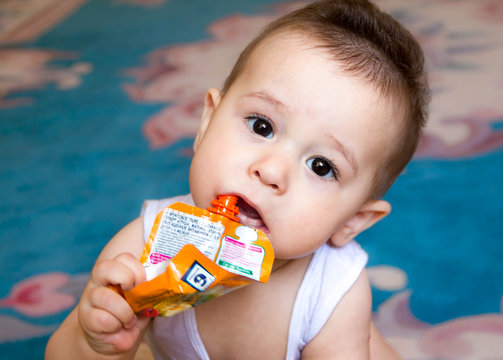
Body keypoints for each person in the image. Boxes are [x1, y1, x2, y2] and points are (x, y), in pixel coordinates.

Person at [46, 0, 429, 359]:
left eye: (321, 166)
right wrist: (94, 341)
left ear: (352, 221)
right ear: (207, 123)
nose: (271, 170)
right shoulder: (146, 246)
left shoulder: (332, 292)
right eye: (261, 126)